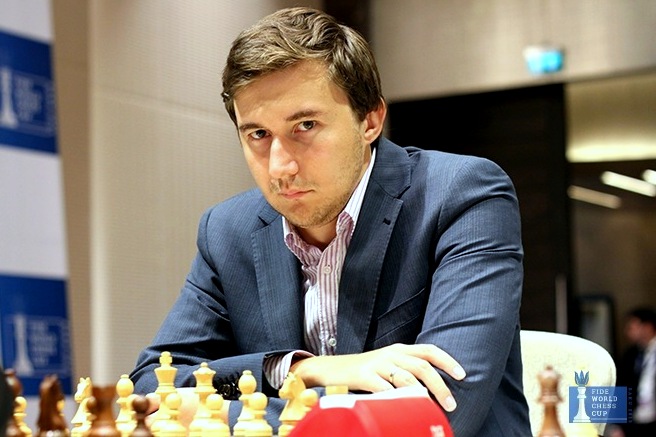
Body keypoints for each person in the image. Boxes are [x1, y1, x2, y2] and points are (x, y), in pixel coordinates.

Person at [129, 7, 530, 436]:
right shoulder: (228, 230)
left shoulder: (462, 195)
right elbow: (153, 383)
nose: (280, 167)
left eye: (305, 125)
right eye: (258, 134)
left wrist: (214, 414)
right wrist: (302, 370)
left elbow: (441, 410)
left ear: (370, 120)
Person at [615, 307, 656, 436]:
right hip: (636, 422)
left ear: (647, 327)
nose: (627, 332)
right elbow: (622, 387)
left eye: (631, 327)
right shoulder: (630, 354)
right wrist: (618, 424)